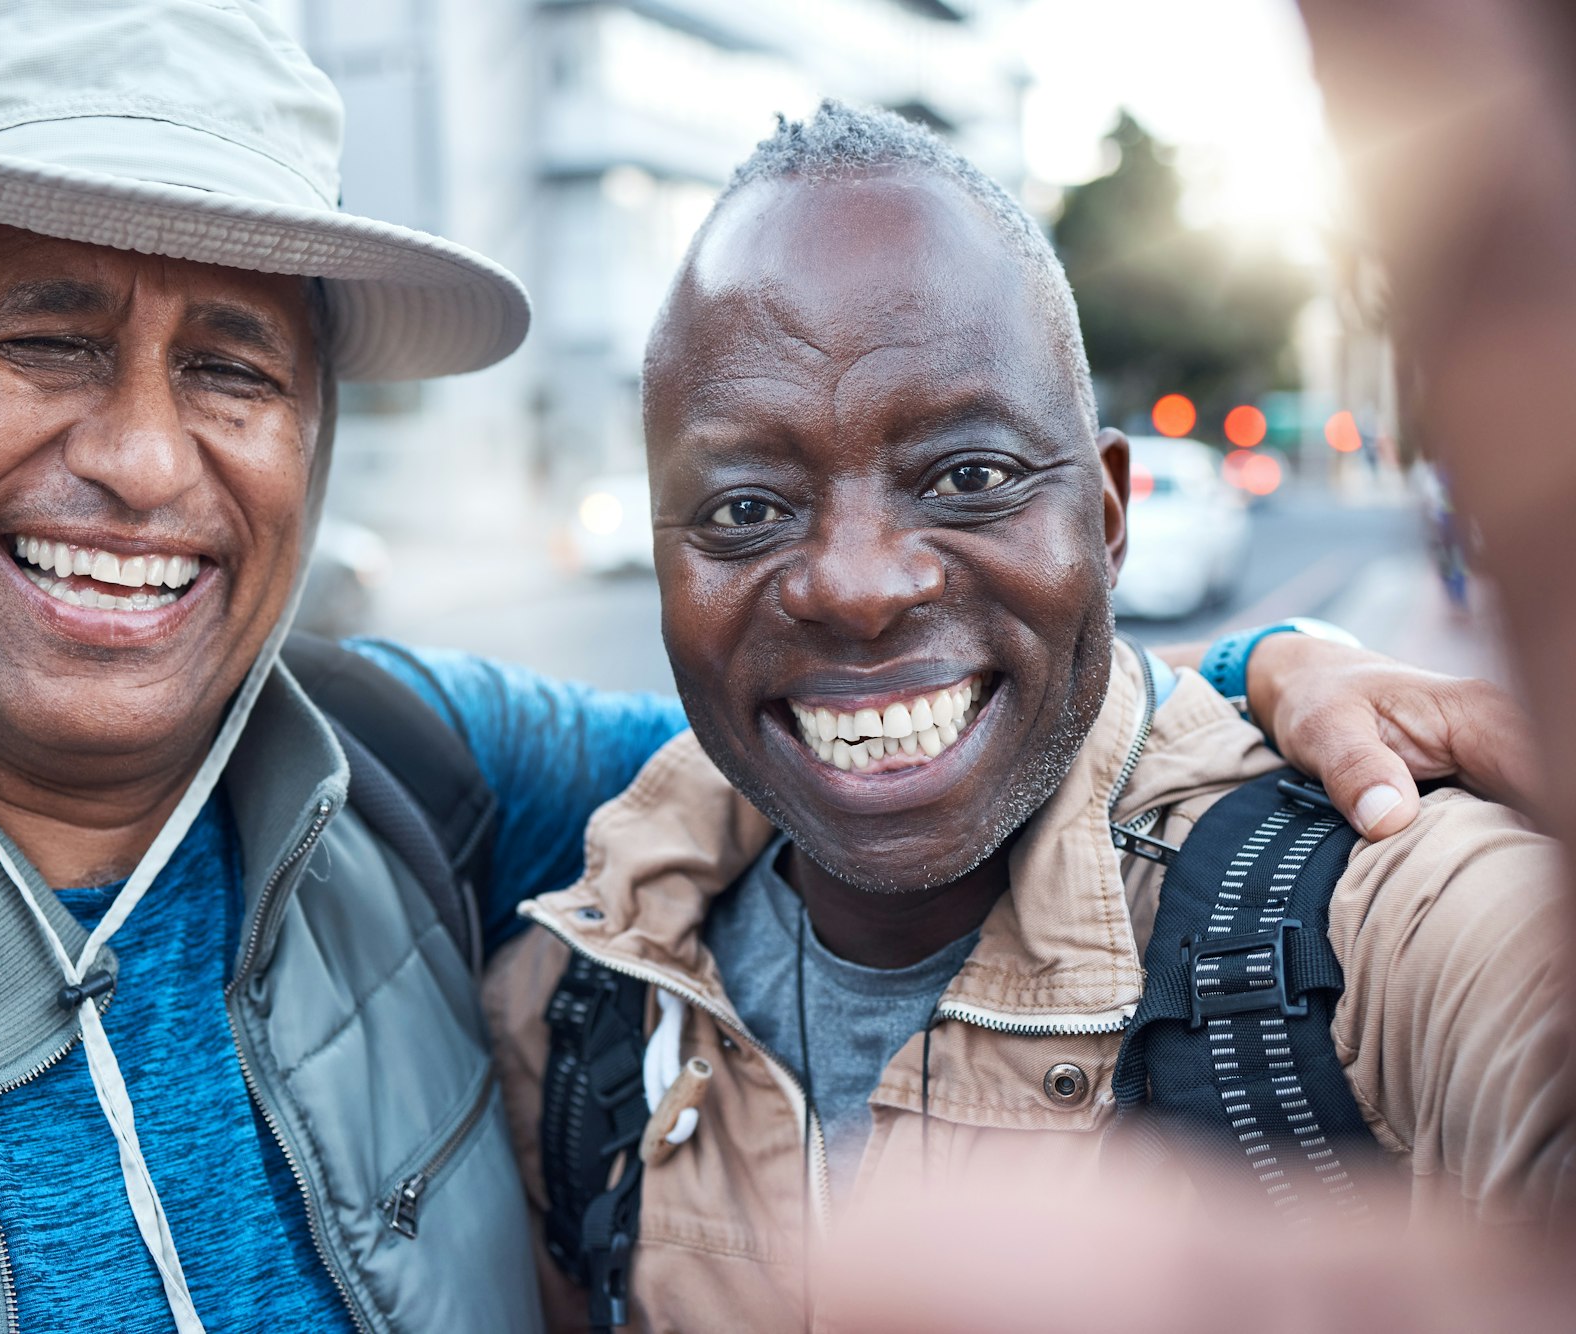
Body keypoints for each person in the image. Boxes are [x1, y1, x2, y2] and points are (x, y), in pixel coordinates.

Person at [0, 7, 1535, 1330]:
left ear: (314, 446)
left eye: (236, 368)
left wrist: (1277, 665)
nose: (150, 457)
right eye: (45, 341)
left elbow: (891, 744)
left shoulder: (423, 785)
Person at [480, 102, 1572, 1332]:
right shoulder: (575, 1004)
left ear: (1105, 518)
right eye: (743, 508)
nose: (855, 584)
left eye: (970, 476)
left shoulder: (1376, 912)